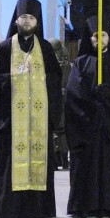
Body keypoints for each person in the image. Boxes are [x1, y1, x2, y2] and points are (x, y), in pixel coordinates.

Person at [0, 0, 62, 218]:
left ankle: (38, 211)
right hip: (13, 120)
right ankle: (8, 211)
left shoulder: (45, 48)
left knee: (39, 163)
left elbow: (56, 79)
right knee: (11, 164)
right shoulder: (5, 47)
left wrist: (38, 77)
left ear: (37, 21)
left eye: (31, 18)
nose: (27, 21)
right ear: (16, 20)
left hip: (38, 121)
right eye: (24, 17)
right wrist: (15, 77)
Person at [65, 16, 110, 218]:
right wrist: (93, 105)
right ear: (90, 39)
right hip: (86, 127)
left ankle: (109, 206)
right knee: (86, 167)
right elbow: (73, 94)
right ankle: (83, 207)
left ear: (109, 38)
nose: (98, 39)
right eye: (95, 36)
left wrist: (108, 97)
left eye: (102, 35)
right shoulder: (80, 63)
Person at [48, 38, 72, 170]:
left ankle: (53, 162)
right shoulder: (68, 64)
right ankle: (65, 161)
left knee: (51, 130)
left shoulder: (48, 63)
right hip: (65, 101)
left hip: (51, 99)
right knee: (63, 132)